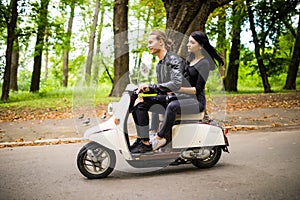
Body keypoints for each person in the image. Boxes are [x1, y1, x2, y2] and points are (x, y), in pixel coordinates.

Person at [150, 31, 224, 150]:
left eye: (192, 42)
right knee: (156, 101)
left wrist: (178, 89)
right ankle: (152, 133)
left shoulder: (204, 63)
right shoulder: (190, 60)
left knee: (172, 106)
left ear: (201, 46)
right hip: (184, 97)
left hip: (196, 101)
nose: (188, 44)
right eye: (188, 42)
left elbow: (197, 89)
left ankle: (159, 139)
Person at [130, 30, 185, 153]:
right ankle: (141, 139)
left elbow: (176, 84)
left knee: (141, 104)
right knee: (137, 101)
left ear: (161, 42)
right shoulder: (160, 64)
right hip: (168, 97)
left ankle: (145, 143)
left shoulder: (174, 59)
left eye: (151, 42)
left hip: (179, 99)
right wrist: (146, 89)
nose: (148, 45)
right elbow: (161, 87)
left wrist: (152, 87)